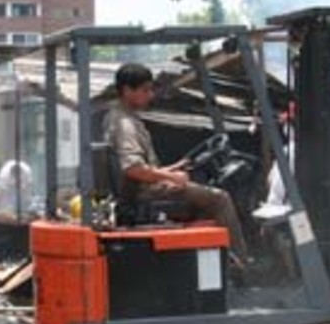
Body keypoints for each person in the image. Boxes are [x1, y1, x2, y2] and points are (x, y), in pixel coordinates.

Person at [104, 63, 248, 260]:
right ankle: (240, 266)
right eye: (145, 90)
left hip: (143, 190)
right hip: (145, 195)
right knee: (219, 199)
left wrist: (174, 167)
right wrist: (171, 176)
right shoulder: (125, 124)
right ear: (127, 90)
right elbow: (132, 168)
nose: (151, 95)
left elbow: (140, 168)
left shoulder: (122, 117)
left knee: (200, 194)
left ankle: (211, 259)